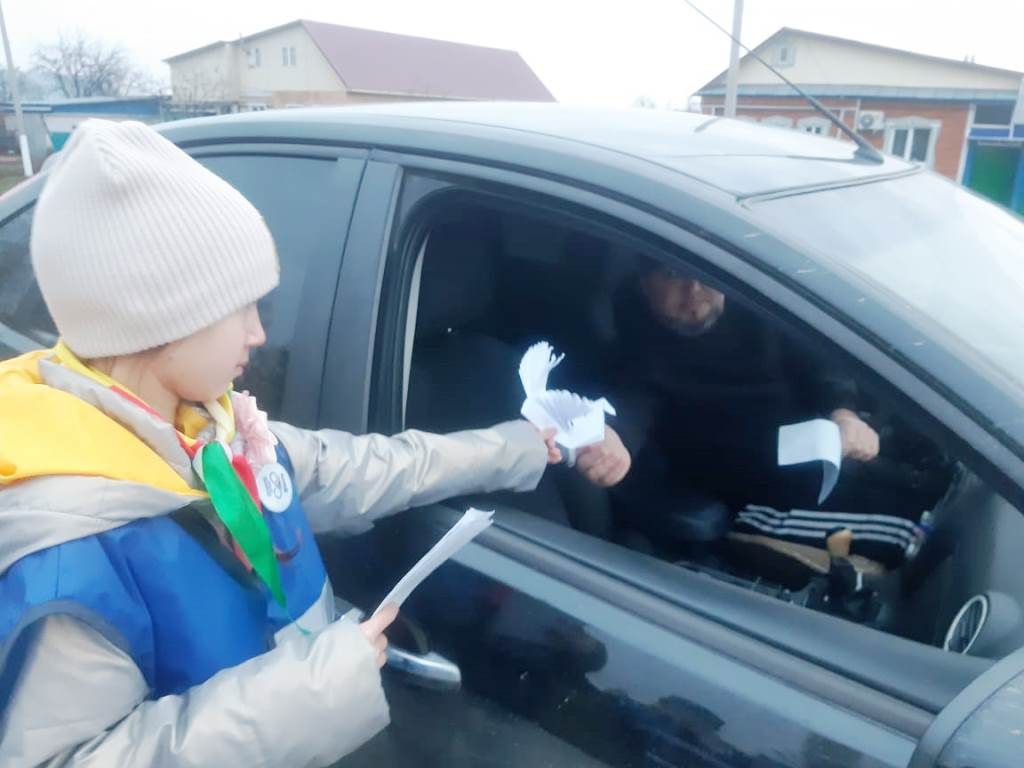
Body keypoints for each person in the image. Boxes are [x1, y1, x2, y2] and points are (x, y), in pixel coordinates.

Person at [0, 120, 625, 767]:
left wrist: (525, 444)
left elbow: (372, 468)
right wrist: (311, 695)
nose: (259, 334)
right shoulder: (66, 554)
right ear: (162, 319)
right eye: (241, 307)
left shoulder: (211, 431)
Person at [611, 265, 885, 549]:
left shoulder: (758, 306)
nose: (693, 289)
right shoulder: (638, 355)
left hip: (820, 460)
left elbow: (817, 366)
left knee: (917, 500)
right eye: (673, 274)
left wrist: (845, 416)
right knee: (906, 540)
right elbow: (628, 414)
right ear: (644, 284)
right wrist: (613, 442)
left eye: (703, 272)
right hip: (750, 501)